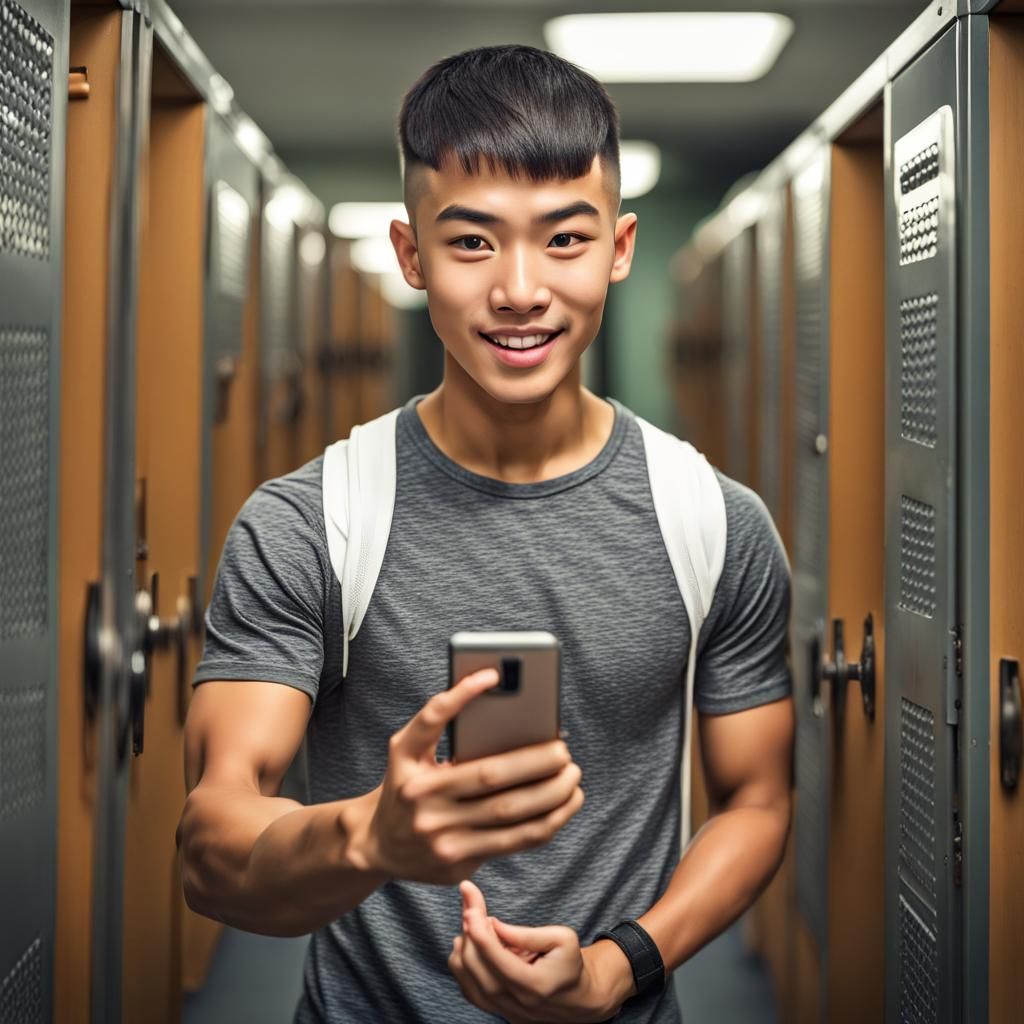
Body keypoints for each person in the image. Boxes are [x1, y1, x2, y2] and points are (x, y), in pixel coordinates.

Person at [177, 44, 794, 1024]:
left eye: (564, 239)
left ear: (620, 247)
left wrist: (618, 964)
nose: (519, 288)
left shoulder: (715, 521)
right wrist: (370, 837)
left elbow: (756, 802)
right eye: (471, 242)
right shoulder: (311, 524)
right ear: (410, 254)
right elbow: (213, 842)